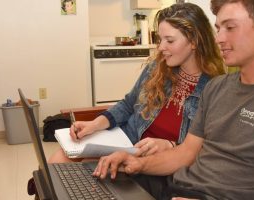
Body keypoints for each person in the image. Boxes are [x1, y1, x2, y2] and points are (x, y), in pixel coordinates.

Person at [92, 0, 254, 199]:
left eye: (230, 27)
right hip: (173, 189)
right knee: (85, 184)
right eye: (218, 28)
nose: (219, 38)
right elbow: (185, 154)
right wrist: (136, 163)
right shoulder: (217, 88)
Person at [48, 3, 225, 163]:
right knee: (59, 159)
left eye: (169, 40)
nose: (161, 47)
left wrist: (171, 145)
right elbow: (127, 105)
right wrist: (94, 124)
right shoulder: (157, 68)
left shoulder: (214, 88)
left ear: (194, 41)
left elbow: (209, 148)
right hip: (127, 144)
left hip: (158, 165)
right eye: (160, 39)